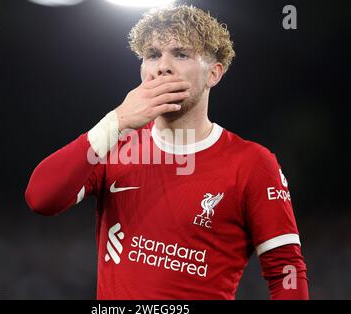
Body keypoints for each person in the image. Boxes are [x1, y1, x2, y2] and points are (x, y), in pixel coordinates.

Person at [25, 5, 308, 299]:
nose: (163, 66)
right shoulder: (114, 145)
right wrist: (117, 120)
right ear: (142, 70)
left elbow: (285, 269)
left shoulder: (252, 163)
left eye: (181, 54)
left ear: (214, 73)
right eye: (153, 55)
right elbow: (41, 198)